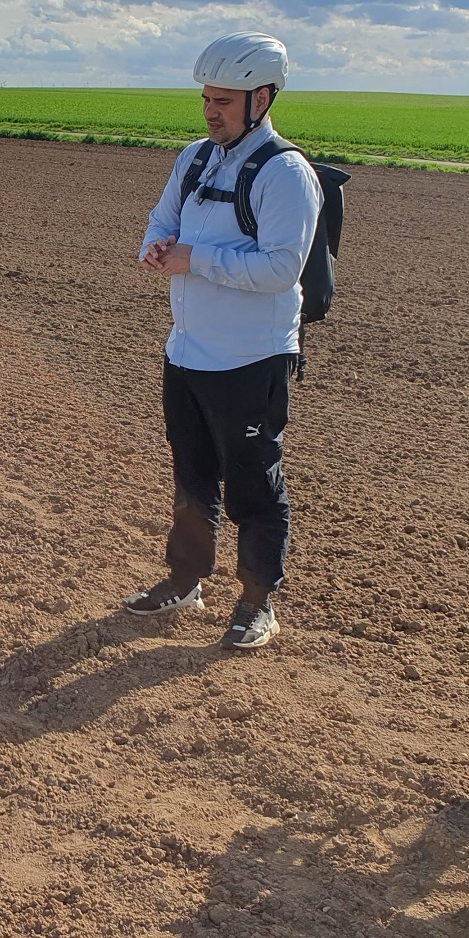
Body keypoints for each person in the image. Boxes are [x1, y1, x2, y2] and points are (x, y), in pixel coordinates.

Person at [123, 32, 321, 649]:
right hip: (185, 352)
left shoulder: (286, 174)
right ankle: (185, 579)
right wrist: (156, 246)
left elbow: (282, 268)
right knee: (192, 476)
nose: (210, 111)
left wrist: (194, 259)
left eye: (224, 101)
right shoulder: (195, 158)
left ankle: (258, 602)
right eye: (206, 99)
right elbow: (162, 220)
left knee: (254, 485)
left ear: (262, 99)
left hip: (249, 359)